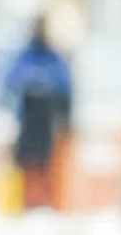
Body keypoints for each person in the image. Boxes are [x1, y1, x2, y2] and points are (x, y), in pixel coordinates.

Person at [6, 16, 72, 210]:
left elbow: (63, 84)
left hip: (45, 121)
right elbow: (12, 80)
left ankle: (44, 201)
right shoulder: (25, 56)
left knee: (46, 163)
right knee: (26, 163)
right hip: (27, 120)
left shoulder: (53, 58)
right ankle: (25, 202)